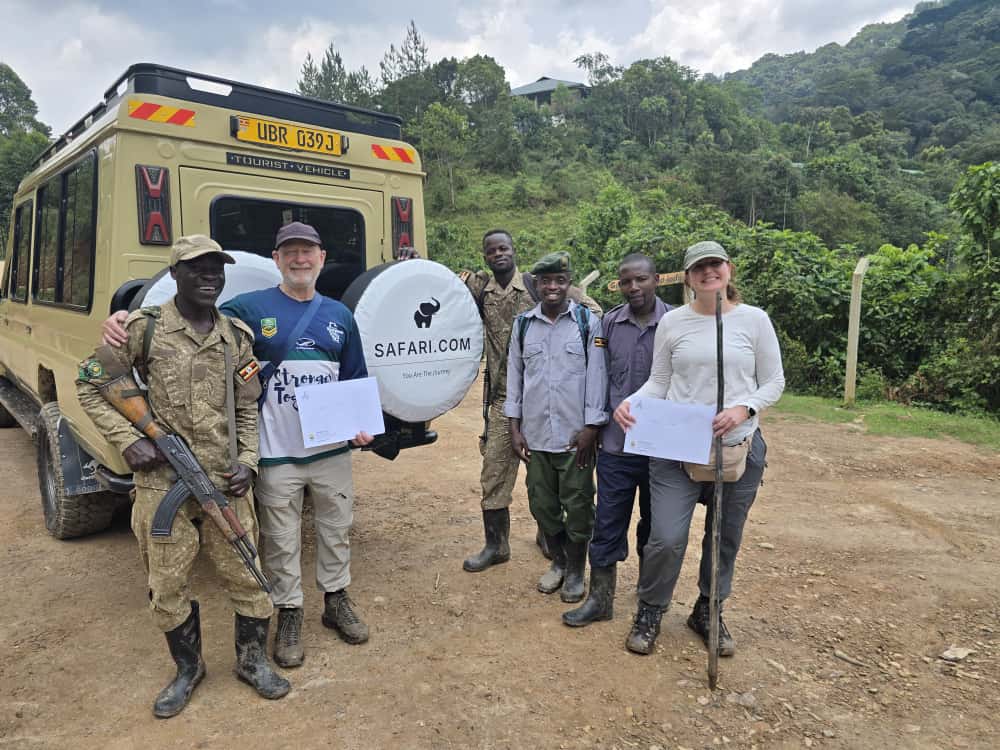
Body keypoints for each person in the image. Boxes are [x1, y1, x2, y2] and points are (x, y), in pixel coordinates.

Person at [102, 222, 374, 670]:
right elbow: (190, 313)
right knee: (281, 539)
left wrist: (362, 425)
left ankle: (336, 599)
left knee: (336, 527)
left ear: (322, 259)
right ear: (276, 260)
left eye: (309, 252)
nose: (300, 260)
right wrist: (120, 321)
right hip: (276, 453)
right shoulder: (246, 308)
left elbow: (354, 378)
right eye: (291, 253)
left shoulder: (340, 316)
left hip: (330, 452)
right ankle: (289, 610)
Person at [77, 235, 290, 717]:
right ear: (175, 274)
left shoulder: (236, 336)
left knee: (249, 575)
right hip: (162, 484)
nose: (209, 276)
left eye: (216, 268)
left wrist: (249, 464)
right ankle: (187, 669)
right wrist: (127, 438)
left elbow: (249, 408)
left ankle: (252, 662)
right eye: (197, 268)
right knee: (167, 584)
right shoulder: (142, 330)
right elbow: (90, 383)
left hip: (222, 482)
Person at [613, 241, 784, 656]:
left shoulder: (754, 321)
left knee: (724, 535)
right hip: (678, 445)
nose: (709, 272)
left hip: (737, 446)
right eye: (699, 268)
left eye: (715, 265)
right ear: (688, 278)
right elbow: (659, 381)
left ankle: (709, 609)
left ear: (729, 270)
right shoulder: (674, 324)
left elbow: (773, 382)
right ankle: (651, 609)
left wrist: (744, 408)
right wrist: (632, 401)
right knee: (666, 537)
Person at [459, 230, 602, 574]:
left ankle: (549, 538)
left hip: (548, 401)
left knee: (550, 480)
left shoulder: (537, 284)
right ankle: (496, 544)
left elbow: (593, 314)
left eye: (503, 248)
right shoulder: (481, 289)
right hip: (503, 401)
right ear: (485, 256)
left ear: (514, 250)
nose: (498, 254)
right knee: (494, 473)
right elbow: (446, 293)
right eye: (491, 250)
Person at [563, 253, 671, 627]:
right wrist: (593, 425)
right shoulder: (608, 323)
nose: (634, 288)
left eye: (641, 279)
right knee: (608, 521)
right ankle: (600, 599)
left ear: (656, 279)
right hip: (616, 445)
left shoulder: (676, 323)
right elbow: (598, 377)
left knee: (655, 525)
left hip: (661, 449)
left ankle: (649, 594)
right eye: (626, 281)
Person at [505, 251, 609, 603]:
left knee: (579, 505)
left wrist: (592, 428)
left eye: (559, 281)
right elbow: (514, 381)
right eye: (545, 281)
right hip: (534, 437)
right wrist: (514, 429)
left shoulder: (587, 323)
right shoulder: (522, 326)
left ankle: (578, 570)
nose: (552, 287)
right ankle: (560, 563)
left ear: (568, 284)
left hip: (573, 438)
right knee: (542, 505)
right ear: (535, 285)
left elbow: (597, 377)